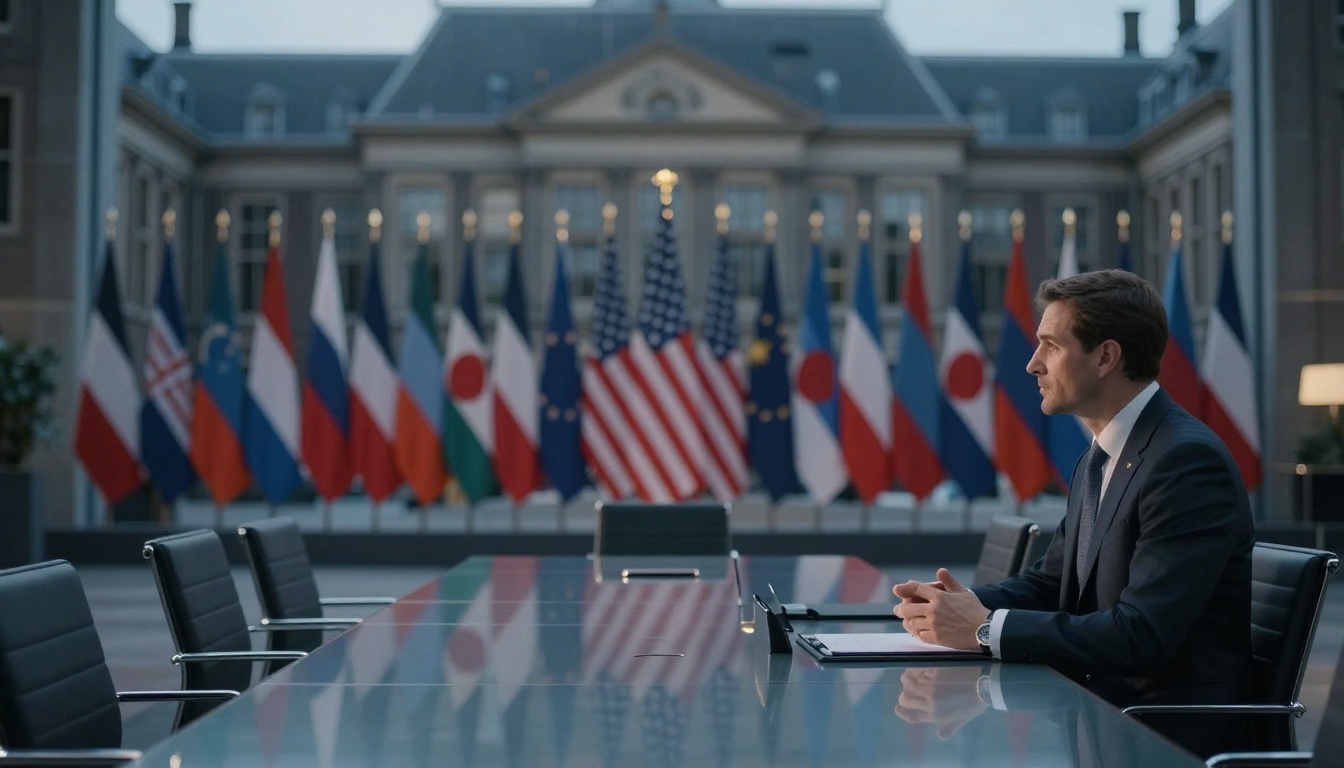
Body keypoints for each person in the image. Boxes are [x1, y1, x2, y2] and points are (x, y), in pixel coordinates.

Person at [893, 269, 1254, 756]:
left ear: (1105, 356)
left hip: (1163, 737)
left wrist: (983, 627)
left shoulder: (1184, 462)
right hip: (1096, 719)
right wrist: (952, 605)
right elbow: (1052, 585)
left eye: (1051, 346)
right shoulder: (1100, 457)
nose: (1031, 365)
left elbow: (1141, 636)